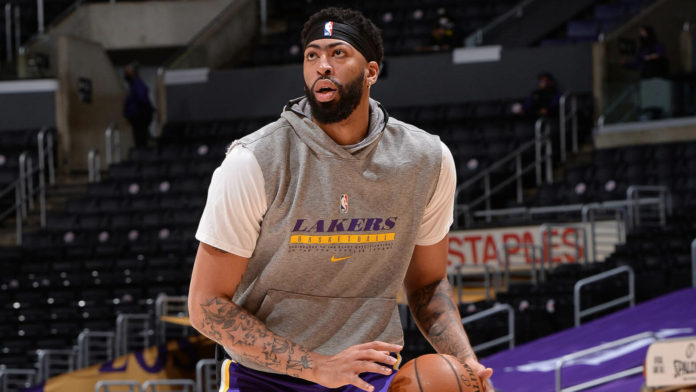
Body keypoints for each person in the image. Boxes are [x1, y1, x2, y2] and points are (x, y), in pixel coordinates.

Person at [188, 7, 493, 392]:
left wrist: (468, 367)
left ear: (371, 72)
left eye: (338, 53)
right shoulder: (253, 161)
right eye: (312, 55)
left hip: (368, 375)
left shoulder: (426, 160)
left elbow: (427, 285)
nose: (322, 66)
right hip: (263, 379)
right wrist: (317, 367)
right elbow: (206, 306)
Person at [123, 62, 154, 148]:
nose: (125, 74)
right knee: (139, 141)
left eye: (127, 72)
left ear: (132, 72)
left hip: (139, 118)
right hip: (137, 118)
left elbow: (143, 99)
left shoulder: (137, 84)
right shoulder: (133, 84)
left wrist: (138, 114)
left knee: (141, 142)